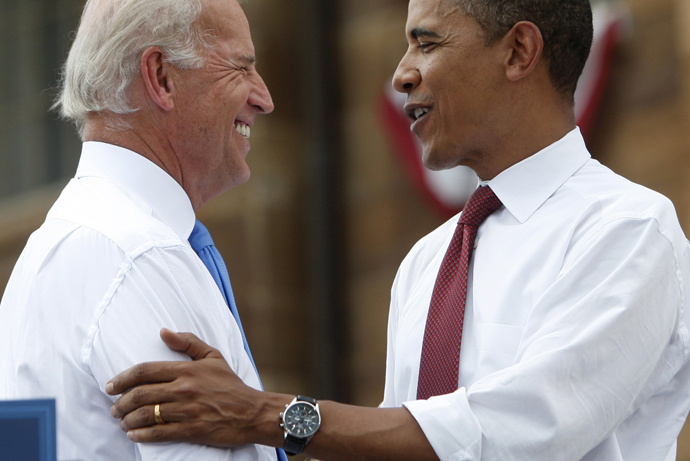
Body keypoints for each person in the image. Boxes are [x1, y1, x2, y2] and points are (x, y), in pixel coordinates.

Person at [106, 0, 690, 459]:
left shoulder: (629, 230)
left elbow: (524, 433)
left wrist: (267, 416)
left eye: (426, 43)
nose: (400, 75)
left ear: (518, 52)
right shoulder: (425, 264)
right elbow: (395, 444)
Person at [0, 0, 278, 459]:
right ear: (161, 77)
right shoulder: (138, 256)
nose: (264, 98)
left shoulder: (55, 250)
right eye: (240, 67)